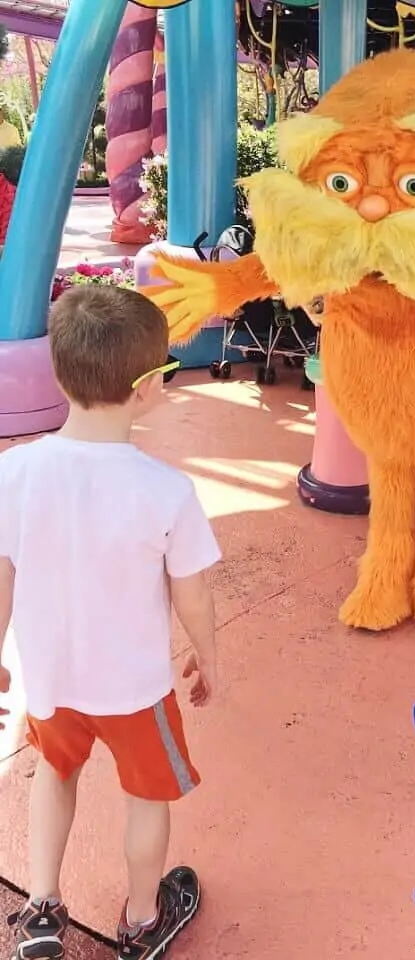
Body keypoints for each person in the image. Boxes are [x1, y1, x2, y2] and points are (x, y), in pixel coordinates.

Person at [0, 286, 221, 960]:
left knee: (54, 776)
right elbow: (193, 596)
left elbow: (2, 576)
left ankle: (41, 904)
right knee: (148, 798)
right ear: (149, 386)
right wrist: (208, 656)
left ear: (59, 374)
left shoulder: (14, 472)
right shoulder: (165, 491)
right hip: (133, 689)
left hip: (50, 681)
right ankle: (142, 914)